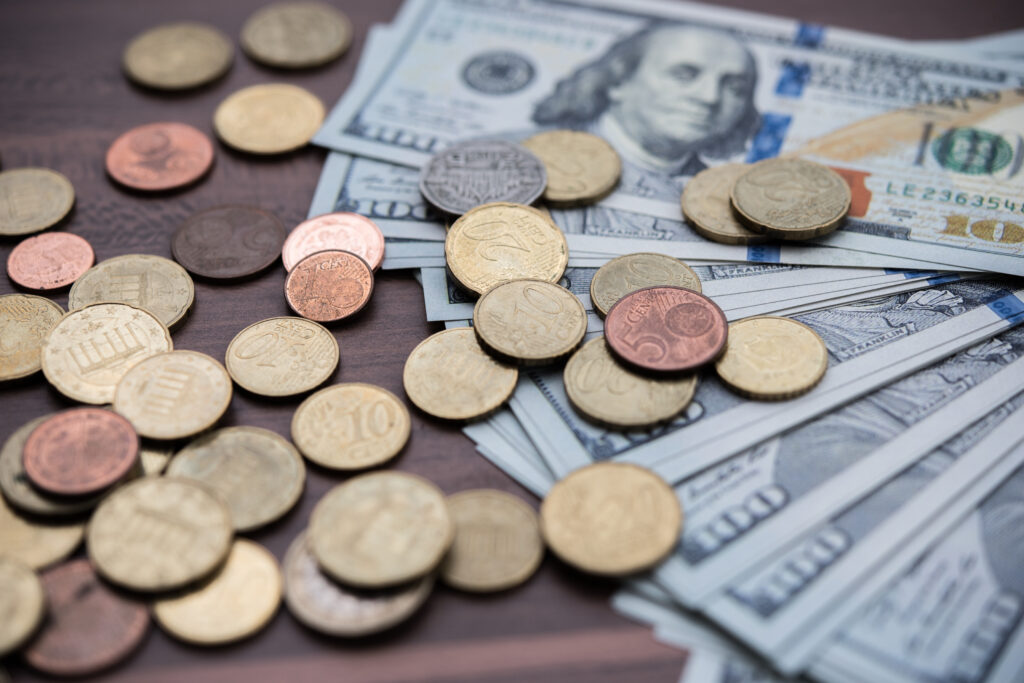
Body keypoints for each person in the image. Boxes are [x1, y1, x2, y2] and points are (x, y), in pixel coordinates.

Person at [533, 22, 760, 194]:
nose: (709, 97)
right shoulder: (522, 157)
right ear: (619, 80)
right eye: (683, 75)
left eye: (736, 89)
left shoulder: (722, 195)